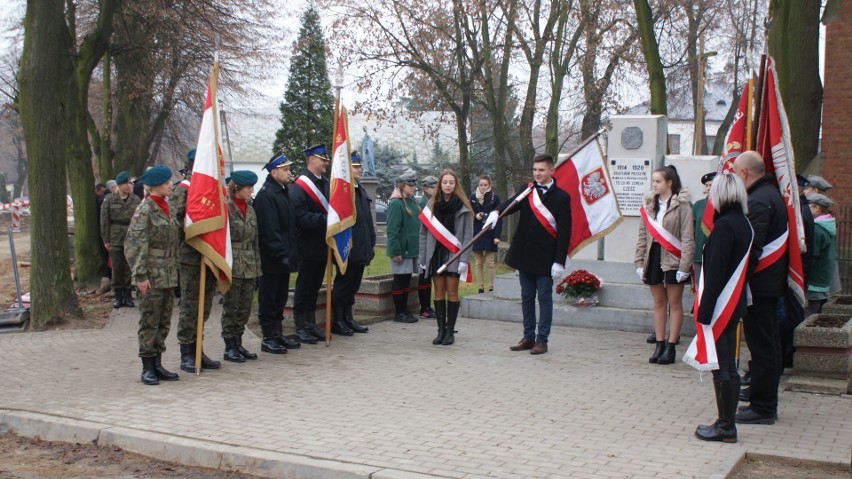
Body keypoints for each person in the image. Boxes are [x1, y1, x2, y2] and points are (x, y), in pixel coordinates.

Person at [483, 153, 571, 355]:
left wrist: (559, 261)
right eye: (535, 170)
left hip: (546, 257)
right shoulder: (527, 190)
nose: (537, 174)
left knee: (545, 298)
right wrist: (497, 211)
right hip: (525, 253)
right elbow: (512, 203)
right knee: (526, 296)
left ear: (551, 171)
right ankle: (528, 337)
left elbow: (565, 232)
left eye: (541, 170)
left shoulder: (562, 197)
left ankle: (542, 340)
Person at [693, 173, 753, 443]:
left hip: (722, 305)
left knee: (724, 366)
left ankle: (726, 426)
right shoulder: (743, 223)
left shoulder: (726, 226)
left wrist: (704, 311)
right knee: (728, 364)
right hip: (734, 301)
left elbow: (715, 271)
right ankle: (725, 423)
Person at [732, 150, 788, 425]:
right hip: (767, 285)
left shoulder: (758, 200)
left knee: (763, 346)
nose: (733, 176)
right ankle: (761, 397)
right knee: (768, 345)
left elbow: (752, 247)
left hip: (761, 286)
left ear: (744, 172)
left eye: (734, 171)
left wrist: (736, 279)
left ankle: (763, 407)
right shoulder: (767, 195)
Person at [124, 165, 180, 385]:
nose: (170, 185)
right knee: (149, 320)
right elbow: (135, 244)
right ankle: (147, 365)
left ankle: (158, 363)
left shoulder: (168, 207)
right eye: (167, 182)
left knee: (164, 319)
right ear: (156, 185)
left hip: (168, 271)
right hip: (151, 273)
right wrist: (140, 276)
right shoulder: (145, 209)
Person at [635, 165, 694, 364]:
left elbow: (687, 237)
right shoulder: (650, 205)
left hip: (674, 257)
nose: (654, 185)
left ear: (670, 183)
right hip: (654, 257)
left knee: (674, 304)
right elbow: (643, 235)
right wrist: (638, 261)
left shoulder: (682, 205)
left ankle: (671, 347)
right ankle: (659, 345)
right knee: (659, 303)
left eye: (658, 181)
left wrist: (685, 266)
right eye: (653, 181)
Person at [171, 149, 221, 373]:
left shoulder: (212, 190)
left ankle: (198, 349)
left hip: (208, 256)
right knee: (191, 307)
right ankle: (186, 353)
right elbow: (174, 225)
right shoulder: (182, 191)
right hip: (191, 258)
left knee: (205, 307)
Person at [418, 169, 473, 346]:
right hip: (435, 254)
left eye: (451, 182)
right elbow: (424, 234)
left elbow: (467, 236)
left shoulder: (463, 206)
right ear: (440, 184)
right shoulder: (431, 205)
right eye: (445, 182)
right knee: (439, 292)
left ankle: (450, 331)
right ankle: (440, 331)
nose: (448, 185)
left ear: (455, 185)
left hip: (454, 254)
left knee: (452, 292)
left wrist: (464, 259)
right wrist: (423, 258)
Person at [254, 152, 301, 354]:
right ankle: (268, 337)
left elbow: (290, 228)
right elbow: (269, 231)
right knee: (269, 298)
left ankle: (278, 333)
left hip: (284, 258)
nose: (289, 173)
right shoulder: (266, 196)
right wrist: (281, 254)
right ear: (274, 172)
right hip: (271, 260)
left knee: (280, 297)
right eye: (285, 170)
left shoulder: (283, 192)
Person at [330, 152, 375, 335]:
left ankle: (348, 318)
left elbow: (367, 219)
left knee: (353, 285)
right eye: (355, 166)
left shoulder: (361, 189)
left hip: (362, 245)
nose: (359, 169)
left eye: (359, 166)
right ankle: (338, 320)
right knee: (343, 285)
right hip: (348, 246)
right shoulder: (344, 192)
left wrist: (371, 242)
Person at [290, 144, 332, 344]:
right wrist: (325, 220)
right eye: (322, 159)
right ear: (311, 160)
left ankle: (310, 323)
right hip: (306, 246)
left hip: (323, 245)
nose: (325, 162)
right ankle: (300, 325)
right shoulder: (299, 186)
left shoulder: (324, 183)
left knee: (315, 287)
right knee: (304, 287)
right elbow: (299, 216)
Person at [220, 171, 261, 362]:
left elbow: (255, 241)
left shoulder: (250, 209)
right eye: (248, 188)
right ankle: (230, 346)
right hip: (233, 262)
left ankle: (238, 342)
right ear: (237, 188)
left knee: (244, 307)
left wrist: (257, 267)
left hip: (249, 262)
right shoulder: (226, 208)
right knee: (232, 306)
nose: (251, 191)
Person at [101, 171, 141, 308]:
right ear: (119, 184)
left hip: (131, 236)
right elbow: (104, 220)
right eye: (126, 183)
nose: (128, 186)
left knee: (128, 267)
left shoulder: (135, 199)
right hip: (115, 237)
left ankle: (128, 296)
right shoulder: (110, 199)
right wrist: (106, 238)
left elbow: (140, 220)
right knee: (117, 267)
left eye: (130, 183)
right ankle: (118, 296)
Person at [386, 173, 422, 323]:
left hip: (411, 248)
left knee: (406, 279)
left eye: (414, 185)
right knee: (399, 279)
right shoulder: (396, 203)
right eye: (410, 185)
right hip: (401, 249)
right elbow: (392, 229)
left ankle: (404, 310)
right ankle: (399, 312)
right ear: (402, 186)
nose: (413, 188)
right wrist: (396, 251)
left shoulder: (411, 201)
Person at [805, 193, 838, 314]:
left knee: (813, 311)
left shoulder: (817, 229)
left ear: (817, 208)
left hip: (816, 276)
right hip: (824, 274)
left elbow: (813, 254)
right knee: (821, 305)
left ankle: (810, 332)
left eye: (809, 206)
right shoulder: (828, 226)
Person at [470, 174, 502, 294]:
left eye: (485, 185)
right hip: (477, 233)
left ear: (489, 185)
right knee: (478, 263)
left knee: (490, 262)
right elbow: (469, 213)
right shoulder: (473, 197)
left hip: (490, 233)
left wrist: (497, 236)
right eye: (481, 185)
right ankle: (480, 287)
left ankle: (491, 287)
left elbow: (500, 217)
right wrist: (475, 216)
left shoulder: (495, 198)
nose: (483, 187)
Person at [415, 176, 439, 319]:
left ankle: (427, 306)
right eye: (432, 187)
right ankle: (424, 307)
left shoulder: (432, 202)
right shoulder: (424, 203)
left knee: (428, 277)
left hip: (431, 246)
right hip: (424, 245)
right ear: (425, 188)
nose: (435, 189)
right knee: (423, 277)